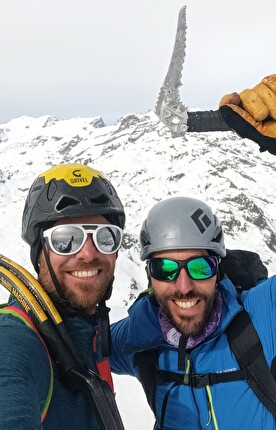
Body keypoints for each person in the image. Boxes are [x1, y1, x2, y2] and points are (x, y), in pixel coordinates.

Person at [110, 75, 276, 429]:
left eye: (199, 267)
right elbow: (74, 344)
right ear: (148, 273)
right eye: (165, 269)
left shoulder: (263, 316)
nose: (183, 285)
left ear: (219, 268)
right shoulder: (139, 339)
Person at [0, 163, 125, 429]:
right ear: (39, 253)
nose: (88, 254)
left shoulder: (91, 335)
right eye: (66, 239)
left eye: (105, 237)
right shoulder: (17, 342)